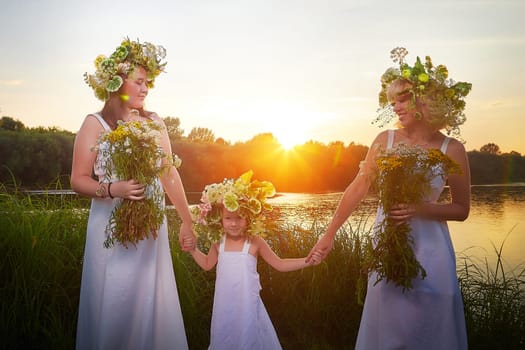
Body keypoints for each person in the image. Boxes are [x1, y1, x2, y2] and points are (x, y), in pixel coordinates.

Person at [306, 47, 472, 349]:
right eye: (392, 101)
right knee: (389, 326)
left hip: (432, 253)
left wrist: (421, 208)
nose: (395, 107)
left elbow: (462, 210)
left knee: (432, 326)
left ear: (425, 99)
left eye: (401, 99)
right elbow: (358, 188)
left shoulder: (452, 149)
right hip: (387, 249)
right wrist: (329, 234)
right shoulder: (386, 141)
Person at [71, 38, 195, 350]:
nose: (145, 89)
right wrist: (114, 189)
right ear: (117, 82)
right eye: (139, 82)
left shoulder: (155, 122)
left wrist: (187, 221)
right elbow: (78, 180)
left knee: (148, 299)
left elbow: (169, 173)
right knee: (115, 298)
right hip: (110, 228)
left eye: (147, 83)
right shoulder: (94, 124)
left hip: (152, 229)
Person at [188, 171, 322, 350]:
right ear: (221, 218)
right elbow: (207, 264)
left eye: (239, 218)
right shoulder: (218, 241)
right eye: (228, 218)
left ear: (248, 218)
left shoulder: (255, 242)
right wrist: (192, 250)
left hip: (247, 304)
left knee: (249, 338)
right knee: (224, 336)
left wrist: (307, 261)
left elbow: (279, 264)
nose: (233, 223)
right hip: (224, 305)